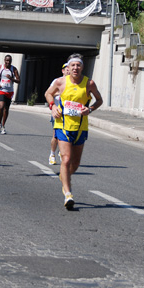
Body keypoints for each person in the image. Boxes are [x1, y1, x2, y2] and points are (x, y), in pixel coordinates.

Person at [44, 53, 103, 210]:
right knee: (66, 159)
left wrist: (89, 109)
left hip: (80, 126)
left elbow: (99, 100)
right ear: (68, 68)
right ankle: (68, 194)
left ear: (82, 67)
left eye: (78, 65)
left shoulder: (89, 83)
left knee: (75, 164)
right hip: (62, 124)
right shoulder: (60, 82)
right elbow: (48, 93)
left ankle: (64, 177)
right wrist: (53, 107)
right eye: (73, 65)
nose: (76, 68)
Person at [0, 55, 20, 134]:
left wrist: (11, 78)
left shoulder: (13, 69)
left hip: (9, 91)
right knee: (1, 106)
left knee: (6, 109)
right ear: (4, 60)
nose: (8, 62)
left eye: (9, 61)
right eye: (7, 60)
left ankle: (3, 126)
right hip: (1, 90)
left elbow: (19, 80)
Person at [48, 63, 70, 165]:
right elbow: (49, 93)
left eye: (69, 69)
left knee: (68, 136)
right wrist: (60, 94)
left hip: (69, 114)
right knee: (56, 136)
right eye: (66, 69)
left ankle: (62, 152)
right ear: (63, 71)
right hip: (57, 113)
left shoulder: (75, 83)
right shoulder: (57, 81)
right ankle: (52, 154)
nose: (68, 71)